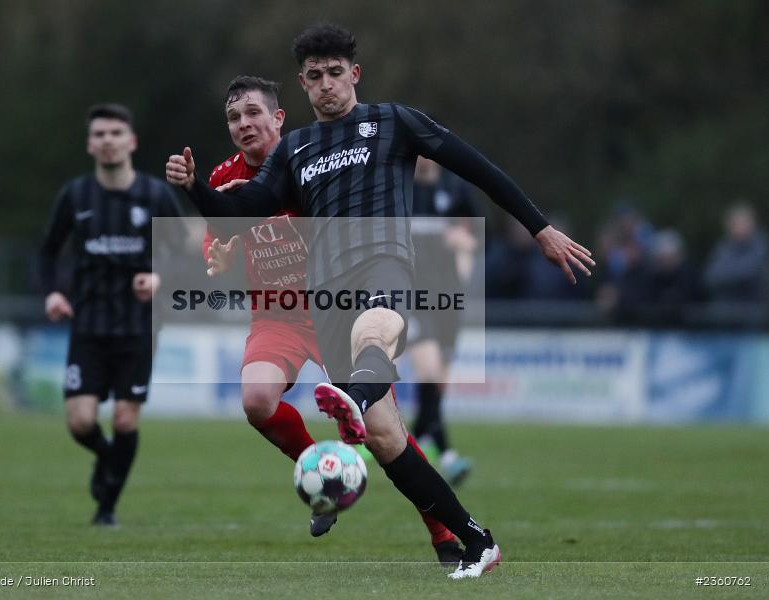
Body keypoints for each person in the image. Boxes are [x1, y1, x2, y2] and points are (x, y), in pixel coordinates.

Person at [167, 23, 595, 579]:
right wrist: (194, 187)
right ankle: (474, 541)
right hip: (325, 296)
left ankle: (354, 394)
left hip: (384, 263)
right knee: (389, 438)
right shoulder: (296, 149)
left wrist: (540, 229)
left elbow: (479, 169)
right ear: (304, 83)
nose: (326, 85)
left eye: (335, 73)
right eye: (315, 76)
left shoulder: (392, 121)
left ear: (355, 74)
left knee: (379, 325)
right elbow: (240, 211)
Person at [202, 75, 463, 564]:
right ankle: (317, 466)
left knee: (388, 434)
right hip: (274, 315)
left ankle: (444, 533)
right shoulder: (222, 176)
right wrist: (216, 256)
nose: (244, 124)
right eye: (234, 118)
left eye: (253, 113)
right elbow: (217, 234)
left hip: (332, 308)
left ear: (278, 117)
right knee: (257, 401)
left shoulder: (307, 161)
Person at [39, 103, 186, 526]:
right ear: (90, 144)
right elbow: (48, 252)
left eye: (115, 133)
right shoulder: (76, 196)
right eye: (99, 134)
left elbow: (184, 254)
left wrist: (159, 277)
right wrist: (52, 293)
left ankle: (106, 509)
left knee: (124, 417)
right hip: (88, 323)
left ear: (131, 141)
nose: (107, 141)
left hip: (139, 326)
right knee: (80, 421)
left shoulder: (156, 195)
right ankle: (107, 460)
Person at [407, 157, 477, 486]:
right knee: (429, 371)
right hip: (412, 296)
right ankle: (447, 455)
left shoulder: (455, 188)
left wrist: (466, 247)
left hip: (448, 297)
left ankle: (416, 440)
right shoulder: (399, 187)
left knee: (437, 384)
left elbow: (476, 234)